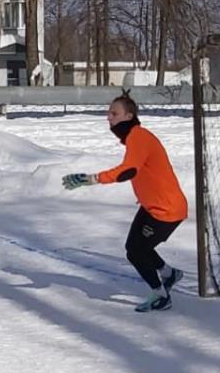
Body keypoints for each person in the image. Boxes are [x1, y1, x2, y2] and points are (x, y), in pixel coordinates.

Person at [61, 93, 188, 312]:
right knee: (135, 247)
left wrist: (91, 178)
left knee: (136, 252)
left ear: (129, 116)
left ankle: (161, 296)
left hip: (166, 211)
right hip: (152, 207)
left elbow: (128, 170)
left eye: (114, 114)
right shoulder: (135, 137)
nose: (109, 118)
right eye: (108, 113)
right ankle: (169, 274)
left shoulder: (138, 137)